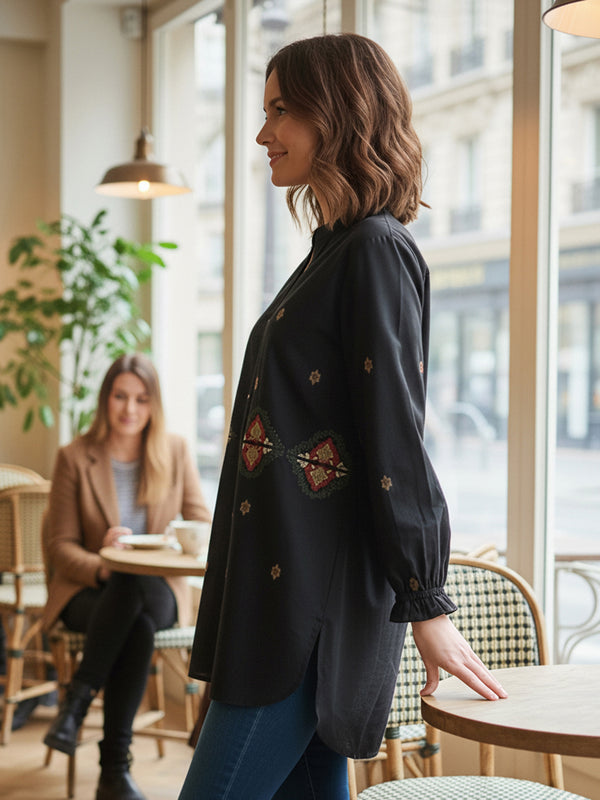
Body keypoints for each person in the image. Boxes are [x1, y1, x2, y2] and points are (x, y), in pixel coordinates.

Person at [178, 33, 507, 800]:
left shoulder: (374, 251)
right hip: (279, 595)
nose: (262, 134)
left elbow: (395, 439)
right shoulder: (332, 252)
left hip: (307, 611)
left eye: (280, 112)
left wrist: (425, 600)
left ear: (337, 114)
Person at [42, 353, 212, 800]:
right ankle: (114, 771)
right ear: (105, 399)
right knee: (133, 614)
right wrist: (104, 562)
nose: (130, 409)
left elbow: (202, 522)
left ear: (154, 404)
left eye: (141, 399)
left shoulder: (174, 451)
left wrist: (170, 540)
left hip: (160, 592)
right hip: (90, 591)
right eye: (120, 396)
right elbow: (60, 546)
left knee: (134, 586)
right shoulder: (74, 457)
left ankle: (76, 704)